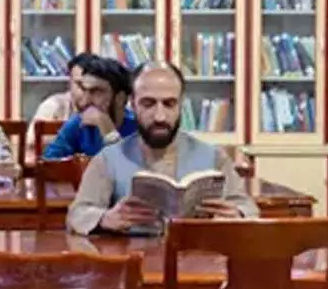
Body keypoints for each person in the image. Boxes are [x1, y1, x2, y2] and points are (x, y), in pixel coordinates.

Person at [67, 61, 256, 235]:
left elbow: (248, 208)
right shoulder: (108, 159)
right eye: (148, 104)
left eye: (169, 104)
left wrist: (237, 214)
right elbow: (77, 214)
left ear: (181, 105)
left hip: (197, 255)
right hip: (132, 256)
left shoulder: (214, 157)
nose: (160, 116)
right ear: (133, 105)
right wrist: (105, 218)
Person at [42, 56, 139, 158]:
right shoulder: (77, 123)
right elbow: (49, 162)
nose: (85, 101)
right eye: (84, 90)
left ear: (120, 98)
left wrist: (109, 132)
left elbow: (127, 167)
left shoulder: (140, 129)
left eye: (96, 91)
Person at [26, 52, 99, 152]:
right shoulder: (52, 105)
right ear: (69, 83)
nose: (85, 90)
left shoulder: (107, 107)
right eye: (79, 84)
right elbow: (31, 142)